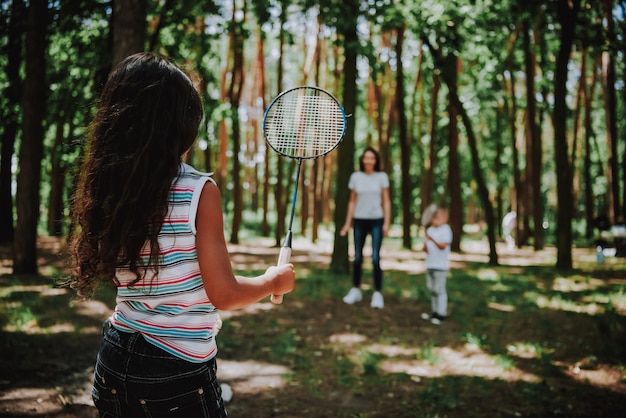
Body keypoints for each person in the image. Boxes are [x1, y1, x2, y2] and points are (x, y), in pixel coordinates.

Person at [68, 52, 295, 418]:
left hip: (113, 358)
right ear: (179, 125)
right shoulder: (198, 191)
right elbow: (223, 293)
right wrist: (272, 281)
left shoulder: (113, 188)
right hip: (176, 372)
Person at [340, 147, 390, 309]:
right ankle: (355, 290)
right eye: (366, 158)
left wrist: (387, 223)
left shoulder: (381, 177)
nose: (369, 161)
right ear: (362, 160)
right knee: (357, 258)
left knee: (375, 258)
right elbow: (351, 202)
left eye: (372, 158)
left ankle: (377, 293)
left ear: (376, 160)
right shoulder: (356, 177)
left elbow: (386, 201)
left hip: (376, 220)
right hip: (359, 221)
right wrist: (348, 224)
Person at [421, 205, 452, 325]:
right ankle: (434, 311)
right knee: (432, 289)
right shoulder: (430, 230)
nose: (434, 220)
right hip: (430, 264)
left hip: (441, 266)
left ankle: (441, 313)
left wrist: (432, 239)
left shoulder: (446, 230)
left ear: (445, 218)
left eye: (437, 217)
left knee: (440, 290)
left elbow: (443, 246)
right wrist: (425, 245)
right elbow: (427, 248)